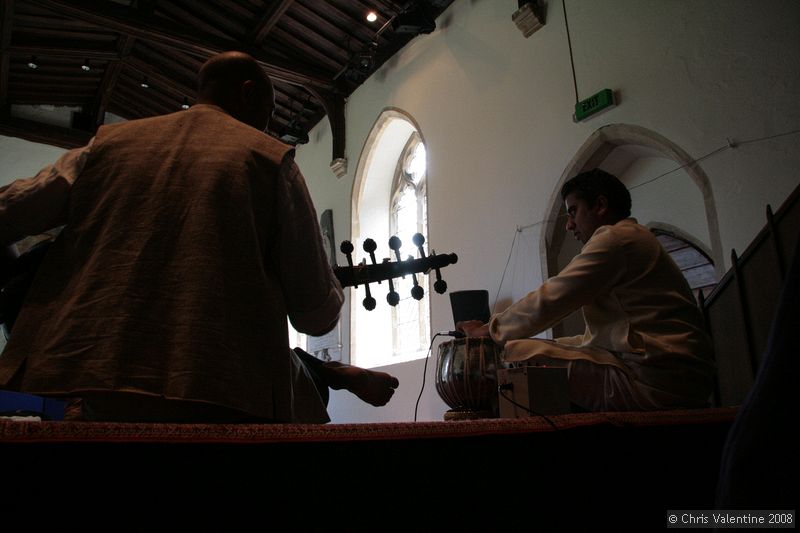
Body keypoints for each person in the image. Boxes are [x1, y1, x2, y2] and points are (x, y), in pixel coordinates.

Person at [0, 51, 398, 423]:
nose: (267, 124)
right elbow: (316, 314)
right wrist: (330, 293)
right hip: (222, 392)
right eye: (269, 110)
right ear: (248, 93)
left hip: (100, 382)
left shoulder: (105, 146)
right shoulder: (267, 159)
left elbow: (9, 210)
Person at [458, 168, 715, 411]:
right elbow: (597, 339)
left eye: (573, 211)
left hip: (655, 381)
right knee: (529, 345)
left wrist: (488, 330)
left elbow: (555, 296)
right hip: (676, 376)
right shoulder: (633, 237)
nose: (569, 225)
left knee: (512, 354)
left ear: (600, 206)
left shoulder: (616, 239)